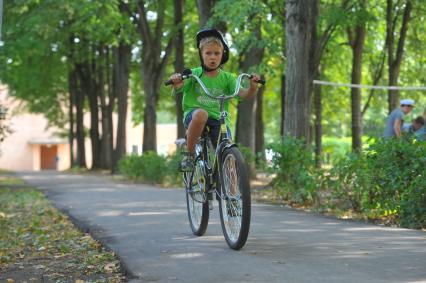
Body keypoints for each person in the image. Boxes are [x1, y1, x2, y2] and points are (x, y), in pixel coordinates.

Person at [169, 28, 261, 172]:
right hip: (194, 116)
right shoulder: (193, 75)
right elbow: (180, 85)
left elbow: (242, 94)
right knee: (201, 114)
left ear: (222, 55)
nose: (213, 57)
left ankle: (232, 194)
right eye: (208, 53)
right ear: (201, 55)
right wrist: (176, 80)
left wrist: (252, 88)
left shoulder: (228, 78)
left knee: (229, 156)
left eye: (216, 53)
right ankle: (189, 155)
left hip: (218, 119)